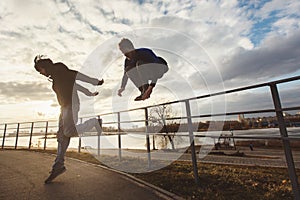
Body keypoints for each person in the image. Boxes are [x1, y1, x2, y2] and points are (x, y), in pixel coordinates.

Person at [33, 55, 104, 184]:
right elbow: (75, 85)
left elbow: (76, 75)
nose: (41, 73)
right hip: (64, 108)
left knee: (68, 132)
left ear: (45, 66)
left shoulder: (59, 69)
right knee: (61, 136)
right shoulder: (55, 77)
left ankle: (94, 122)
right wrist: (88, 92)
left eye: (40, 70)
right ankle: (58, 166)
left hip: (71, 105)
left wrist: (94, 81)